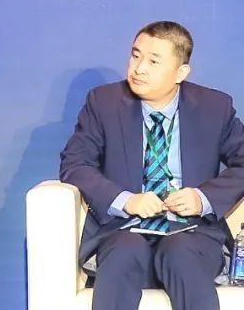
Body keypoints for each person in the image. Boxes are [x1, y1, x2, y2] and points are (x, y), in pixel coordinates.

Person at [60, 21, 244, 310]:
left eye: (153, 61)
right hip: (123, 230)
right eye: (136, 56)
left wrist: (203, 198)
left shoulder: (214, 106)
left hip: (192, 234)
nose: (139, 68)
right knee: (124, 253)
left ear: (180, 72)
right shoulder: (103, 102)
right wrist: (125, 200)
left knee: (180, 253)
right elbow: (75, 163)